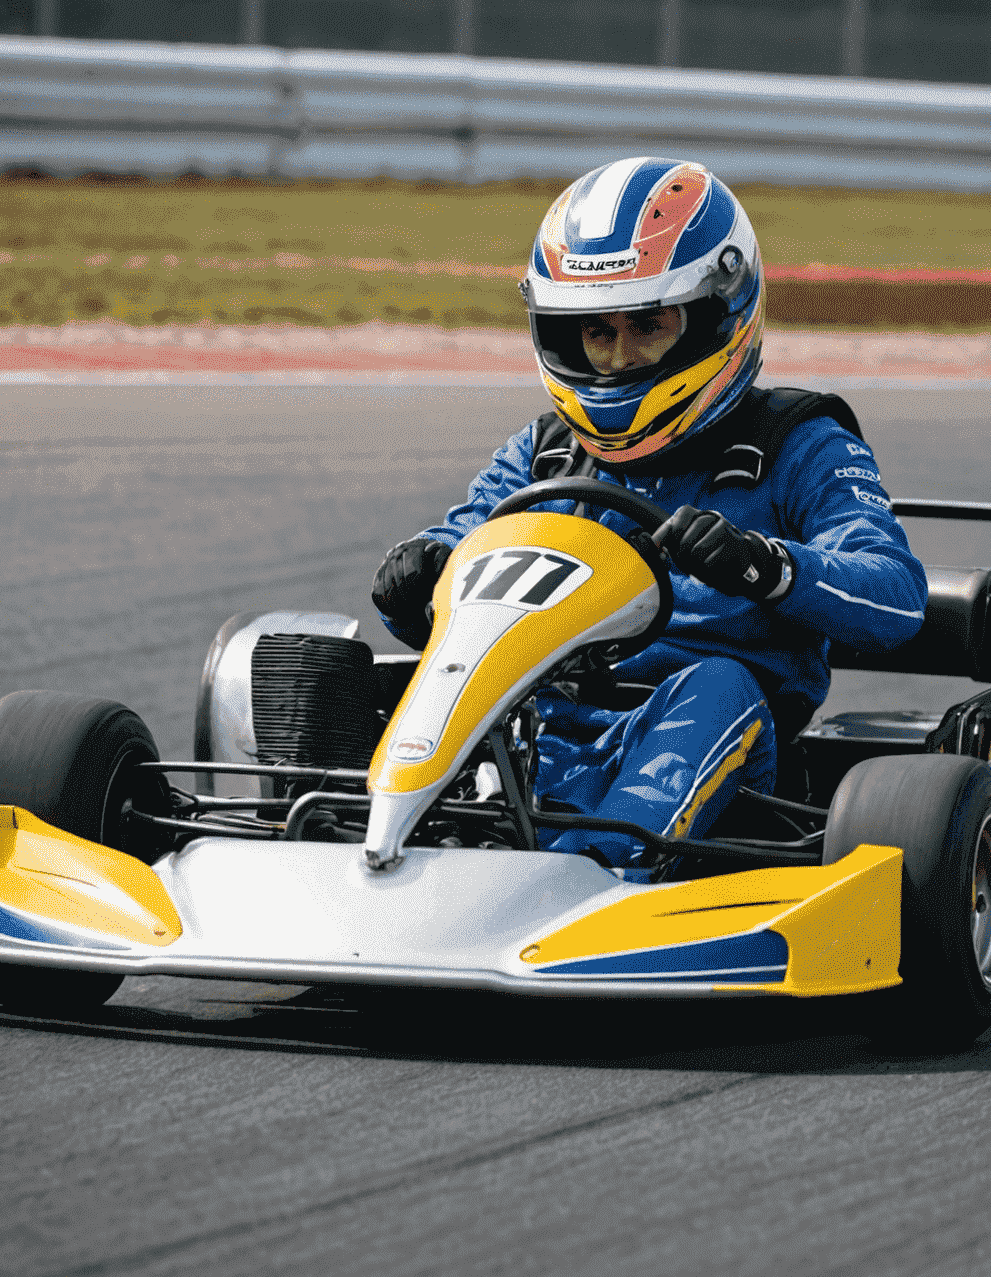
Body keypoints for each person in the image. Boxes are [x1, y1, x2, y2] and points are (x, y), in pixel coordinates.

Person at [372, 157, 926, 878]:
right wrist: (418, 574)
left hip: (723, 751)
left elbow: (897, 594)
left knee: (719, 684)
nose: (619, 358)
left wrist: (766, 564)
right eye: (597, 334)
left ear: (716, 316)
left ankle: (587, 875)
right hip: (541, 723)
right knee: (346, 669)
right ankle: (372, 835)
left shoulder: (799, 444)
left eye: (648, 326)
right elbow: (465, 554)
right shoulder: (543, 457)